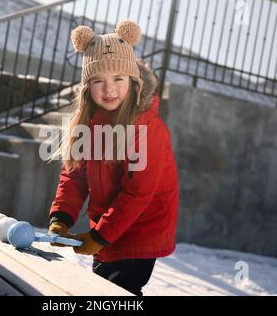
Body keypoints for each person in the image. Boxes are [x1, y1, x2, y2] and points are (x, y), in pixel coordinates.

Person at [47, 19, 179, 296]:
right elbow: (75, 174)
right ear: (87, 88)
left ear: (133, 82)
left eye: (118, 79)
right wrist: (62, 216)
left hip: (143, 227)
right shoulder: (90, 123)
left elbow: (137, 193)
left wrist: (99, 236)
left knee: (116, 292)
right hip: (108, 227)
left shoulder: (146, 128)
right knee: (101, 288)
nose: (109, 90)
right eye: (98, 81)